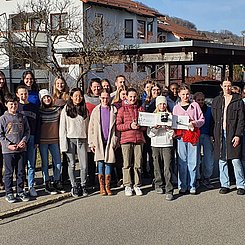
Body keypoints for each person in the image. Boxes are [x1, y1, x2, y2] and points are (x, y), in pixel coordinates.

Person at [211, 79, 245, 195]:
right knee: (222, 160)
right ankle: (224, 184)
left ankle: (241, 185)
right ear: (221, 86)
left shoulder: (238, 101)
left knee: (236, 160)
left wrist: (238, 135)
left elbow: (241, 120)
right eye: (225, 86)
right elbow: (213, 120)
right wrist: (213, 135)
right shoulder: (216, 101)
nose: (227, 88)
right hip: (219, 133)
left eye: (229, 86)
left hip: (233, 133)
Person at [173, 84, 205, 195]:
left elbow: (202, 119)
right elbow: (174, 123)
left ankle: (192, 185)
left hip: (193, 136)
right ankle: (182, 185)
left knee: (193, 161)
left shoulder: (195, 105)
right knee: (182, 162)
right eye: (183, 94)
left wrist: (194, 123)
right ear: (179, 95)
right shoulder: (176, 107)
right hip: (181, 137)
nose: (185, 96)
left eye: (187, 94)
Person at [0, 93, 30, 203]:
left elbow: (27, 131)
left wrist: (23, 141)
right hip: (8, 151)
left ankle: (20, 191)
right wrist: (8, 145)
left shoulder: (22, 117)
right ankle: (9, 192)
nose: (14, 106)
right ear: (6, 104)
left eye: (15, 104)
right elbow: (1, 135)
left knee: (21, 171)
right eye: (11, 104)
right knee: (9, 172)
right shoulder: (3, 119)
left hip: (21, 149)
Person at [59, 88, 89, 197]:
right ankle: (74, 185)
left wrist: (89, 143)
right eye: (75, 96)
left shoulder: (84, 109)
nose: (78, 98)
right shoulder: (66, 109)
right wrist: (63, 145)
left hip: (82, 139)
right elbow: (62, 128)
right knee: (71, 164)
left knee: (84, 165)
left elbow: (88, 127)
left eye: (80, 96)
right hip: (70, 139)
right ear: (71, 97)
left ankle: (83, 184)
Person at [88, 89, 118, 195]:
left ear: (109, 98)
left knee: (109, 163)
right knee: (100, 163)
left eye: (107, 97)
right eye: (103, 97)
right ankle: (101, 186)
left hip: (109, 140)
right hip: (98, 141)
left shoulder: (113, 110)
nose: (105, 99)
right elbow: (91, 127)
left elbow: (117, 128)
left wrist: (115, 141)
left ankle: (107, 186)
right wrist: (91, 143)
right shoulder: (96, 111)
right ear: (100, 98)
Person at [116, 87, 145, 196]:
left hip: (139, 139)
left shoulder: (140, 109)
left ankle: (137, 185)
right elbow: (118, 126)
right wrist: (130, 125)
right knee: (127, 164)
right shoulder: (122, 110)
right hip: (126, 139)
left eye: (134, 96)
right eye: (130, 97)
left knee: (138, 164)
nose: (132, 98)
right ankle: (127, 184)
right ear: (126, 97)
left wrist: (140, 126)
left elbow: (145, 126)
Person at [147, 96, 174, 201]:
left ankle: (169, 189)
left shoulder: (170, 115)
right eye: (160, 104)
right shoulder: (153, 116)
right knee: (157, 166)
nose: (162, 106)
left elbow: (173, 133)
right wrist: (155, 128)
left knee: (167, 167)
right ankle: (159, 184)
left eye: (164, 104)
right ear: (157, 105)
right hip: (155, 144)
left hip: (167, 144)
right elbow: (149, 134)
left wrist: (169, 129)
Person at [16, 85, 40, 197]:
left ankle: (31, 186)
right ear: (17, 95)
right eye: (21, 94)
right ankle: (21, 187)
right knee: (21, 164)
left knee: (31, 164)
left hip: (32, 138)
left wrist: (37, 140)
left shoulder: (34, 107)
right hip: (19, 139)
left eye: (25, 93)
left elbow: (38, 124)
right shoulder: (16, 107)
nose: (24, 96)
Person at [39, 89, 63, 194]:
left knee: (57, 162)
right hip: (43, 140)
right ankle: (47, 183)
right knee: (45, 163)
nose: (47, 99)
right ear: (41, 100)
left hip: (55, 140)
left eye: (48, 97)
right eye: (44, 98)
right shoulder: (39, 111)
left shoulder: (57, 110)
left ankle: (57, 181)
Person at [193, 92, 214, 189]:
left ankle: (206, 177)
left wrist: (212, 135)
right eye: (198, 100)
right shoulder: (192, 110)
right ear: (195, 100)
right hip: (195, 136)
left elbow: (212, 123)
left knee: (208, 158)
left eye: (202, 100)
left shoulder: (209, 110)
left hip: (206, 135)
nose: (201, 102)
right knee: (195, 158)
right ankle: (197, 178)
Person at [84, 78, 102, 189]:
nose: (96, 88)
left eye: (98, 86)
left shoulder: (104, 97)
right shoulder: (86, 99)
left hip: (101, 131)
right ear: (90, 87)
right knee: (90, 156)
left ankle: (102, 179)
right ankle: (91, 179)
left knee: (101, 156)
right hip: (89, 130)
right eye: (94, 86)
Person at [52, 76, 70, 184]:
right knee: (55, 155)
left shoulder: (68, 97)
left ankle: (65, 176)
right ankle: (56, 176)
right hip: (54, 128)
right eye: (58, 83)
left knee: (66, 154)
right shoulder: (52, 98)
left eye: (62, 83)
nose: (60, 85)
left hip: (66, 129)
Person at [0, 71, 10, 190]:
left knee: (2, 157)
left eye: (3, 79)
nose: (1, 81)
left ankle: (2, 179)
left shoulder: (6, 94)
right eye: (0, 79)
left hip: (6, 129)